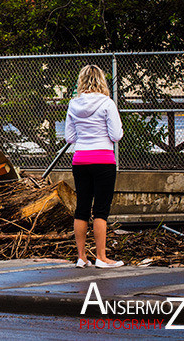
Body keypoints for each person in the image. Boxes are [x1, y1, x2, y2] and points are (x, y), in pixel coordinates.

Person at [65, 65, 124, 269]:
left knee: (82, 208)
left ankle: (81, 257)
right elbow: (116, 135)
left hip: (80, 160)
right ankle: (102, 257)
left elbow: (69, 137)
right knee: (100, 210)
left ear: (81, 81)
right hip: (103, 160)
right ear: (101, 80)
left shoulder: (73, 104)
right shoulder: (107, 103)